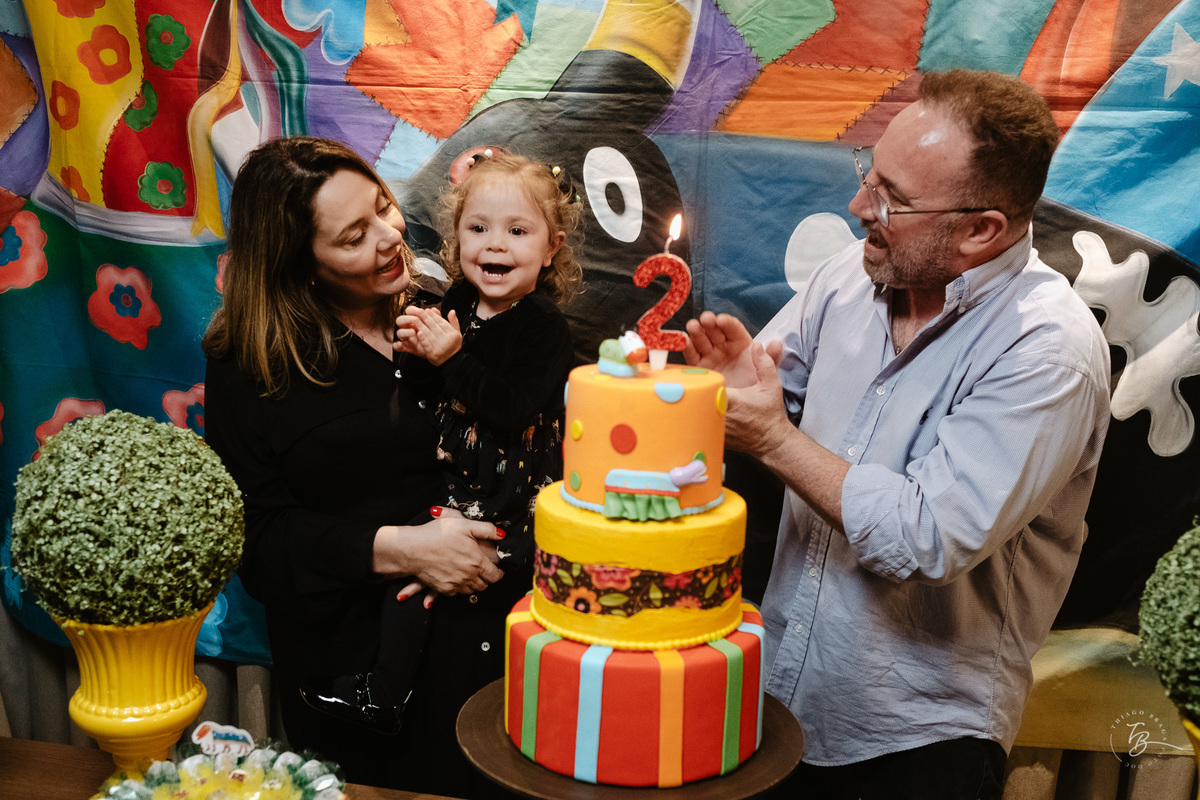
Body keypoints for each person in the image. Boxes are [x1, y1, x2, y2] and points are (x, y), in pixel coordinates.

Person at [685, 70, 1111, 799]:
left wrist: (773, 438)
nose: (858, 208)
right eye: (868, 174)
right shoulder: (847, 279)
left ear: (981, 230)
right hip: (777, 700)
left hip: (918, 740)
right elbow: (764, 398)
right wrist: (725, 389)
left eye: (892, 200)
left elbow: (927, 536)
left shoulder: (1047, 350)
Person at [202, 136, 513, 797]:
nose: (388, 238)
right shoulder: (249, 363)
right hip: (357, 677)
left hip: (486, 654)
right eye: (352, 237)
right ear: (298, 261)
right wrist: (403, 549)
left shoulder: (444, 305)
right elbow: (258, 541)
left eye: (382, 207)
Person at [306, 151, 582, 733]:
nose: (495, 246)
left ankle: (510, 719)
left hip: (510, 492)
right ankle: (385, 692)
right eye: (477, 229)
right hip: (451, 481)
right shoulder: (453, 301)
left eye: (517, 231)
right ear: (456, 241)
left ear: (551, 247)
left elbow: (512, 408)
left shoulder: (543, 327)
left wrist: (451, 356)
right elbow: (433, 390)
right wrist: (415, 352)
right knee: (411, 585)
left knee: (476, 608)